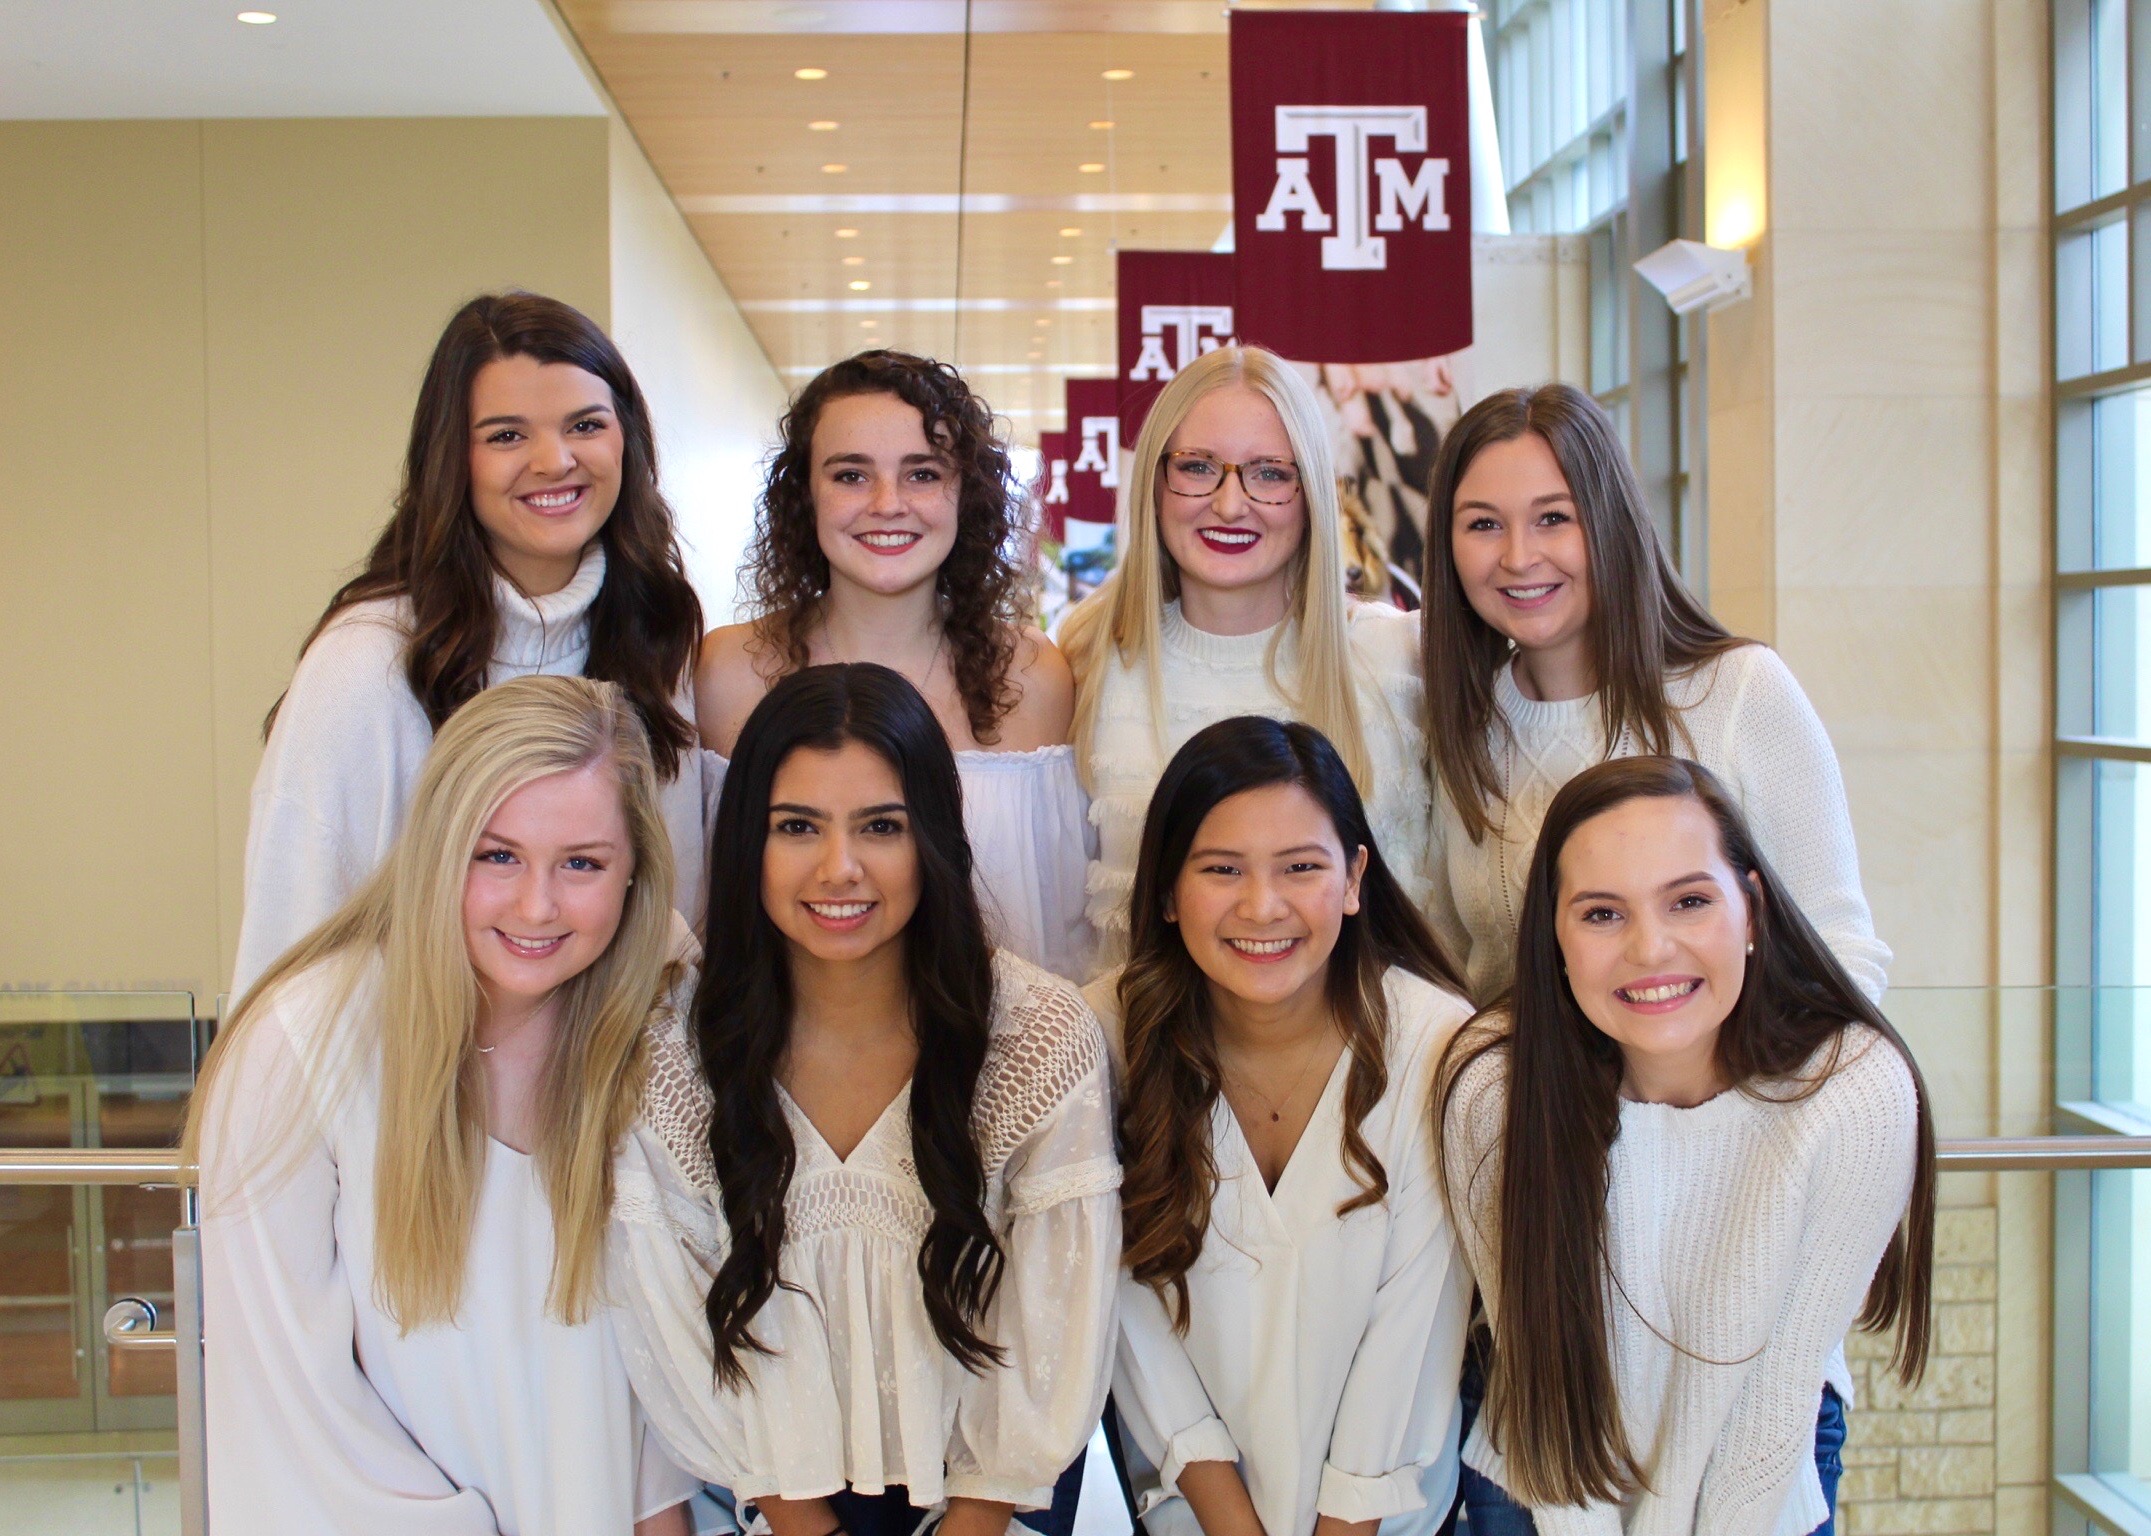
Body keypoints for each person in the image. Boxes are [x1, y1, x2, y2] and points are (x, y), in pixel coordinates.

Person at [608, 663, 1120, 1536]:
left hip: (995, 1504)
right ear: (746, 846)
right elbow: (673, 1329)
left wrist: (978, 1516)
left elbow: (1055, 1327)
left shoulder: (1034, 1034)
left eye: (880, 826)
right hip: (766, 1501)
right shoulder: (671, 1044)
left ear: (933, 837)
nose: (839, 868)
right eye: (796, 826)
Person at [187, 675, 699, 1535]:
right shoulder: (301, 1044)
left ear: (634, 873)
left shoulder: (660, 1025)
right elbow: (285, 1410)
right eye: (495, 855)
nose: (537, 906)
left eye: (581, 863)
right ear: (435, 848)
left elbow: (658, 1375)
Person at [1437, 756, 1935, 1536]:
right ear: (1554, 936)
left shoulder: (1853, 1093)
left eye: (1689, 902)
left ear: (1751, 908)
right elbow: (1539, 1373)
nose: (1649, 949)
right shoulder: (1494, 1087)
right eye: (1601, 914)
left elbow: (1774, 1403)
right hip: (1543, 1481)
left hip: (1754, 1491)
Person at [232, 291, 710, 997]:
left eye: (585, 424)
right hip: (409, 1085)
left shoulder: (654, 637)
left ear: (626, 440)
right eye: (507, 436)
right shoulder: (367, 661)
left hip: (609, 1081)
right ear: (452, 460)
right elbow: (290, 942)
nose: (555, 461)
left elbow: (672, 921)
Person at [1090, 715, 1474, 1536]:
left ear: (1353, 876)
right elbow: (1126, 1318)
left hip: (1393, 1519)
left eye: (1300, 867)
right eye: (1221, 869)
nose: (1262, 906)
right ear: (1164, 889)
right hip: (1188, 1513)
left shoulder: (1437, 1042)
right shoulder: (1101, 1039)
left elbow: (1415, 1329)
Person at [1417, 384, 1889, 1005]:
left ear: (1610, 522)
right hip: (1530, 1099)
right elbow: (1460, 975)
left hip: (1726, 1095)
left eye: (1553, 518)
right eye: (1483, 524)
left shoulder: (1741, 691)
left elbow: (1841, 957)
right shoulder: (1465, 723)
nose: (1518, 556)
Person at [696, 350, 1091, 980]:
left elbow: (1060, 930)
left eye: (923, 474)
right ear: (805, 494)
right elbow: (707, 918)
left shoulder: (1033, 677)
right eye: (851, 475)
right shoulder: (729, 671)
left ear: (968, 492)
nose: (887, 503)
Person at [1062, 344, 1431, 973]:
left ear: (1311, 489)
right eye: (1198, 467)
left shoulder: (1397, 657)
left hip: (1375, 1060)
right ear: (1155, 482)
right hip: (1143, 1060)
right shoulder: (1088, 663)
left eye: (1268, 473)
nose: (1230, 505)